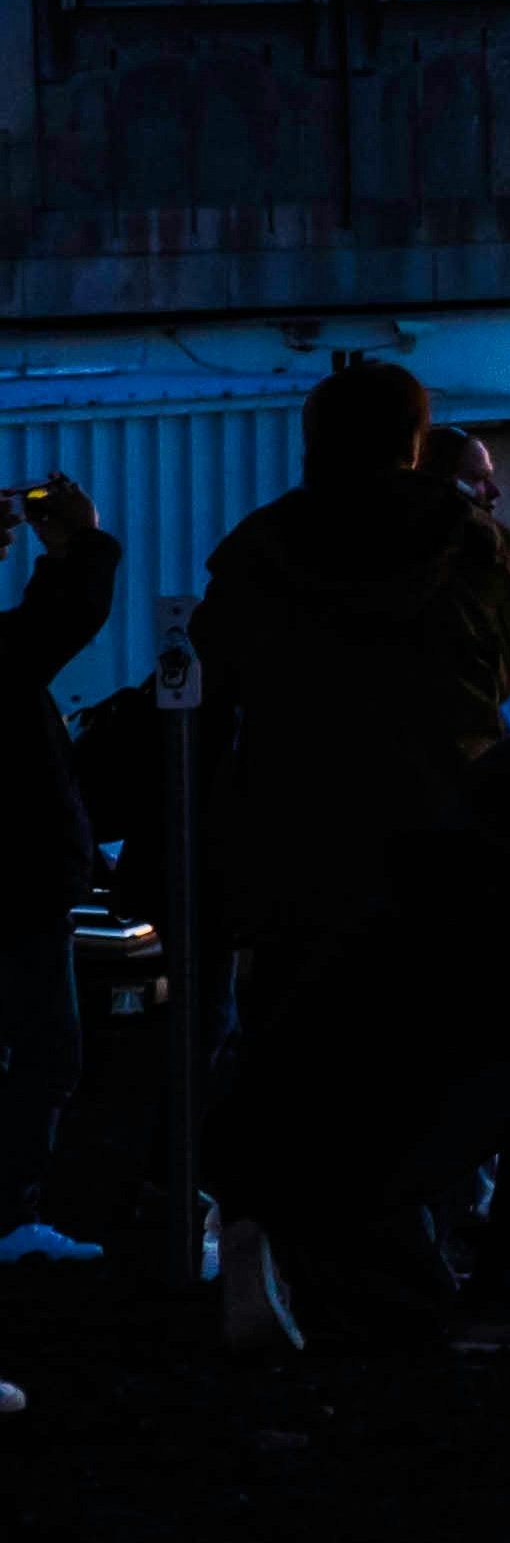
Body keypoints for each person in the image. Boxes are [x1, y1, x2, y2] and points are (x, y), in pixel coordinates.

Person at [224, 727, 510, 1356]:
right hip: (342, 1154)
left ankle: (384, 1259)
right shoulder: (484, 899)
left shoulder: (444, 864)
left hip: (313, 1144)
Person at [198, 361, 510, 965]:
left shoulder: (258, 550)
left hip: (299, 846)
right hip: (446, 841)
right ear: (416, 443)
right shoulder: (477, 546)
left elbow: (215, 675)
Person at [3, 471, 121, 1266]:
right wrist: (81, 543)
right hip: (17, 885)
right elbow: (49, 628)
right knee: (45, 1049)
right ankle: (10, 1216)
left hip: (25, 881)